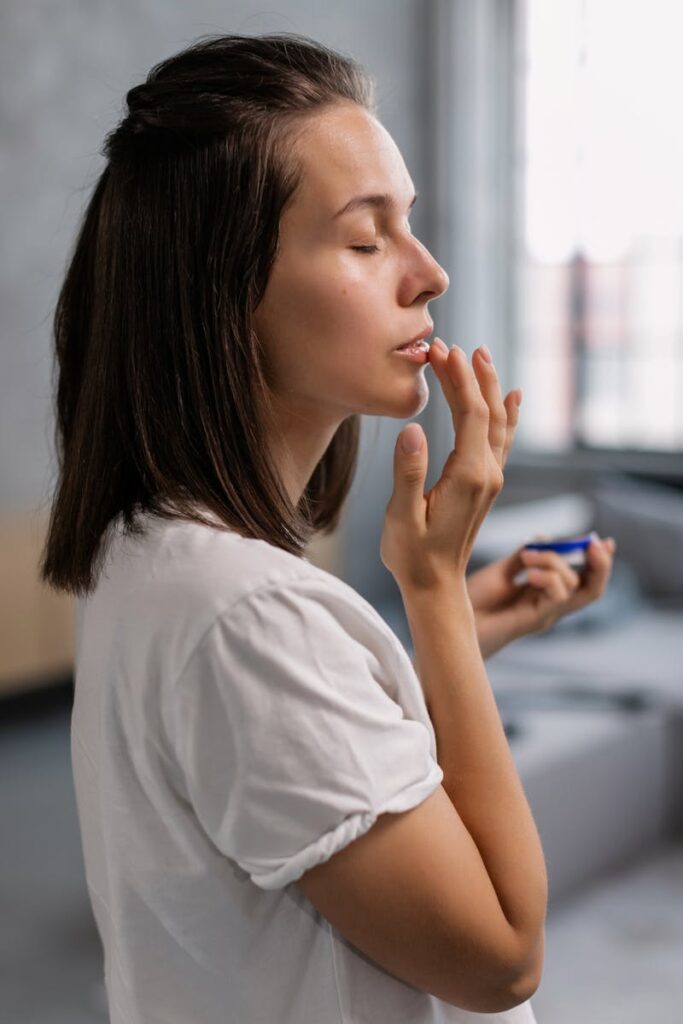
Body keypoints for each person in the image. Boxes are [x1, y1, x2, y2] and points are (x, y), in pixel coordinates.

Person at [39, 32, 616, 1024]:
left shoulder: (158, 554)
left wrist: (452, 642)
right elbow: (499, 955)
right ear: (226, 294)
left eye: (412, 227)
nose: (428, 273)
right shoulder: (243, 615)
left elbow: (291, 743)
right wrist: (432, 596)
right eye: (364, 239)